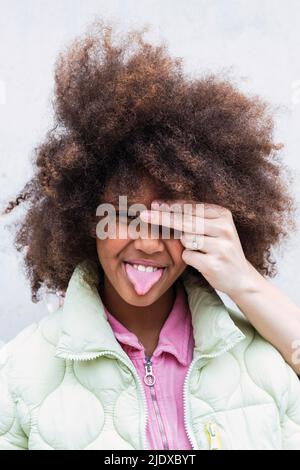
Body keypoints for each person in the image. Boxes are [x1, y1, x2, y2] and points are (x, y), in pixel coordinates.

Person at [1, 18, 300, 450]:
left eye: (171, 220)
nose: (146, 242)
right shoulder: (15, 377)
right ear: (87, 217)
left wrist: (244, 281)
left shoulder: (266, 359)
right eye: (123, 214)